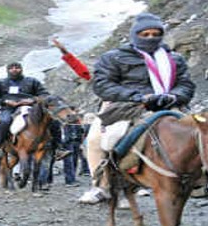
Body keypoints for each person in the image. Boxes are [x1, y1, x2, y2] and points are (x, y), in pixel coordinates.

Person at [79, 12, 196, 203]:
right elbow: (103, 85)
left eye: (155, 34)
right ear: (135, 35)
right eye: (145, 34)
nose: (151, 38)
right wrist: (137, 97)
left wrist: (174, 96)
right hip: (124, 105)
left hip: (168, 104)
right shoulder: (113, 57)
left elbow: (186, 84)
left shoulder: (174, 58)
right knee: (95, 140)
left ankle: (203, 180)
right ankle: (101, 186)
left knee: (205, 132)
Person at [0, 62, 64, 160]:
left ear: (21, 69)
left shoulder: (32, 81)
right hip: (9, 108)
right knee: (4, 121)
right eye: (11, 68)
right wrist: (5, 101)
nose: (14, 69)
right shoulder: (0, 83)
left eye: (17, 67)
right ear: (8, 70)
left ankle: (59, 149)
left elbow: (44, 94)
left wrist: (33, 100)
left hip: (31, 107)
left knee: (53, 121)